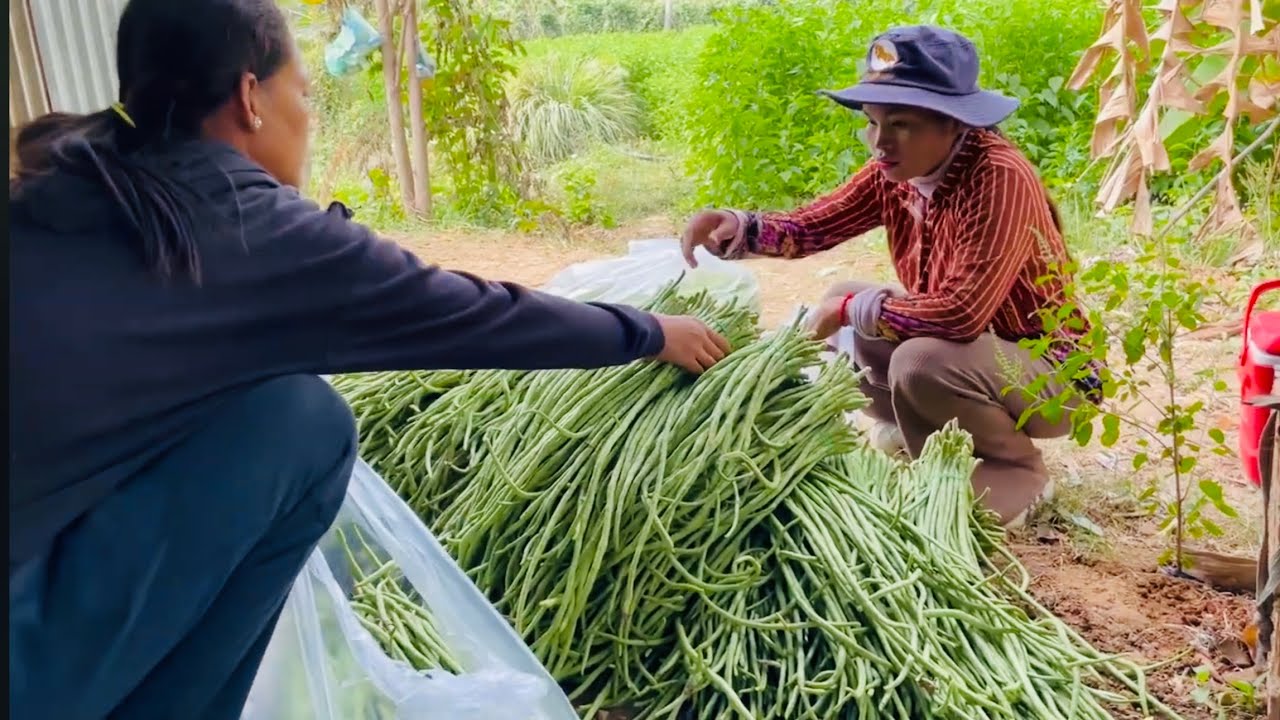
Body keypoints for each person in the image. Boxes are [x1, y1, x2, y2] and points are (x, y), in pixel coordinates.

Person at [7, 1, 730, 718]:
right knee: (299, 419)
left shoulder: (57, 184)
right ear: (251, 98)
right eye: (304, 93)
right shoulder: (251, 231)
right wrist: (648, 332)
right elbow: (477, 316)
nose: (309, 117)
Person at [681, 25, 1101, 528]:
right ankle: (910, 428)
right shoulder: (898, 172)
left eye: (900, 123)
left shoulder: (998, 177)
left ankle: (1017, 467)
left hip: (1049, 377)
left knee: (916, 356)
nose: (880, 142)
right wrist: (739, 228)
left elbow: (959, 314)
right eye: (873, 122)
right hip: (980, 356)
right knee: (851, 299)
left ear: (953, 123)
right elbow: (813, 225)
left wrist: (843, 315)